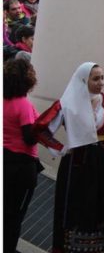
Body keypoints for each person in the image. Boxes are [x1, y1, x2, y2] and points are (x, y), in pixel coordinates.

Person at [34, 63, 104, 253]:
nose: (101, 83)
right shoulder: (67, 103)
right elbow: (41, 129)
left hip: (102, 161)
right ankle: (72, 246)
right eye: (95, 79)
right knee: (76, 202)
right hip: (76, 162)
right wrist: (61, 148)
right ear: (83, 80)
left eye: (102, 78)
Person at [4, 58, 42, 253]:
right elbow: (29, 138)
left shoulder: (4, 101)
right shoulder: (24, 105)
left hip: (4, 158)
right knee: (14, 215)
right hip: (21, 166)